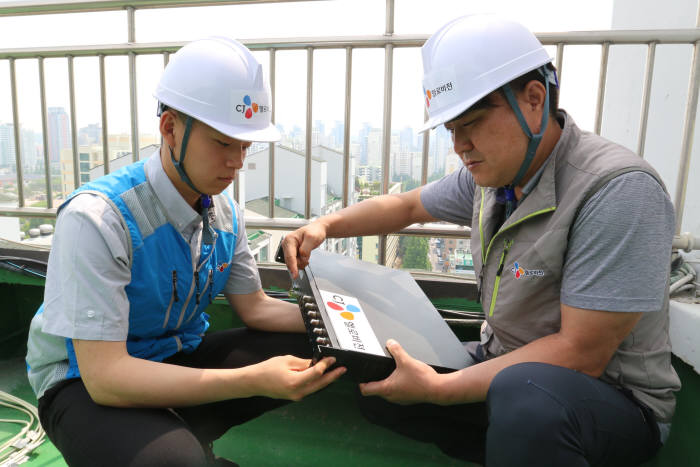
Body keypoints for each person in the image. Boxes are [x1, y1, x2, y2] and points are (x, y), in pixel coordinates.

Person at [282, 15, 680, 467]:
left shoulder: (616, 189)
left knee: (524, 401)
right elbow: (408, 206)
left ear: (534, 100)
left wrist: (440, 390)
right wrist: (324, 227)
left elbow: (581, 354)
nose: (461, 145)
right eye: (451, 130)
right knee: (384, 383)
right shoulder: (494, 179)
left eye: (470, 123)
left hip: (611, 400)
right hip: (508, 369)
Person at [25, 37, 344, 467]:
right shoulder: (99, 218)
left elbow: (256, 309)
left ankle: (170, 436)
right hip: (85, 383)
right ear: (170, 128)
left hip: (176, 354)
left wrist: (338, 316)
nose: (236, 162)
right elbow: (106, 377)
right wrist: (249, 380)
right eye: (222, 143)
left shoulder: (226, 211)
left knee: (320, 341)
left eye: (245, 147)